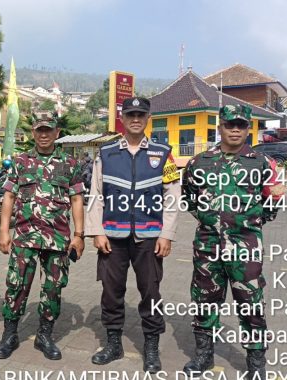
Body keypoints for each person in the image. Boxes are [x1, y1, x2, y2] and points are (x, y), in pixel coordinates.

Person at [181, 104, 283, 379]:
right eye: (229, 124)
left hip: (246, 247)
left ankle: (256, 363)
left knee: (250, 303)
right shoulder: (198, 162)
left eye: (240, 125)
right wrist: (211, 219)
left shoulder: (262, 163)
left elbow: (273, 202)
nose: (235, 129)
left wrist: (246, 221)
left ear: (248, 128)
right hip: (208, 247)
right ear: (220, 127)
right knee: (204, 301)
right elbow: (189, 198)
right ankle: (203, 356)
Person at [85, 97, 181, 373]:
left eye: (140, 114)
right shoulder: (106, 153)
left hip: (149, 237)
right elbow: (95, 194)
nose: (135, 118)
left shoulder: (163, 153)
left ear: (148, 117)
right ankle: (113, 343)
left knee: (150, 291)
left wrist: (167, 234)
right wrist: (95, 231)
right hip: (112, 237)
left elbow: (172, 196)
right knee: (111, 292)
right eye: (130, 114)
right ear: (122, 119)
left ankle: (151, 348)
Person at [0, 111, 86, 361]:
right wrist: (3, 231)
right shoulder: (21, 162)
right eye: (39, 130)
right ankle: (9, 334)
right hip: (24, 238)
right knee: (16, 286)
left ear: (57, 133)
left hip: (57, 239)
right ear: (33, 133)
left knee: (53, 289)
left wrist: (79, 235)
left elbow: (77, 199)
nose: (44, 134)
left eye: (49, 130)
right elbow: (9, 197)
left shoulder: (70, 164)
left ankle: (45, 335)